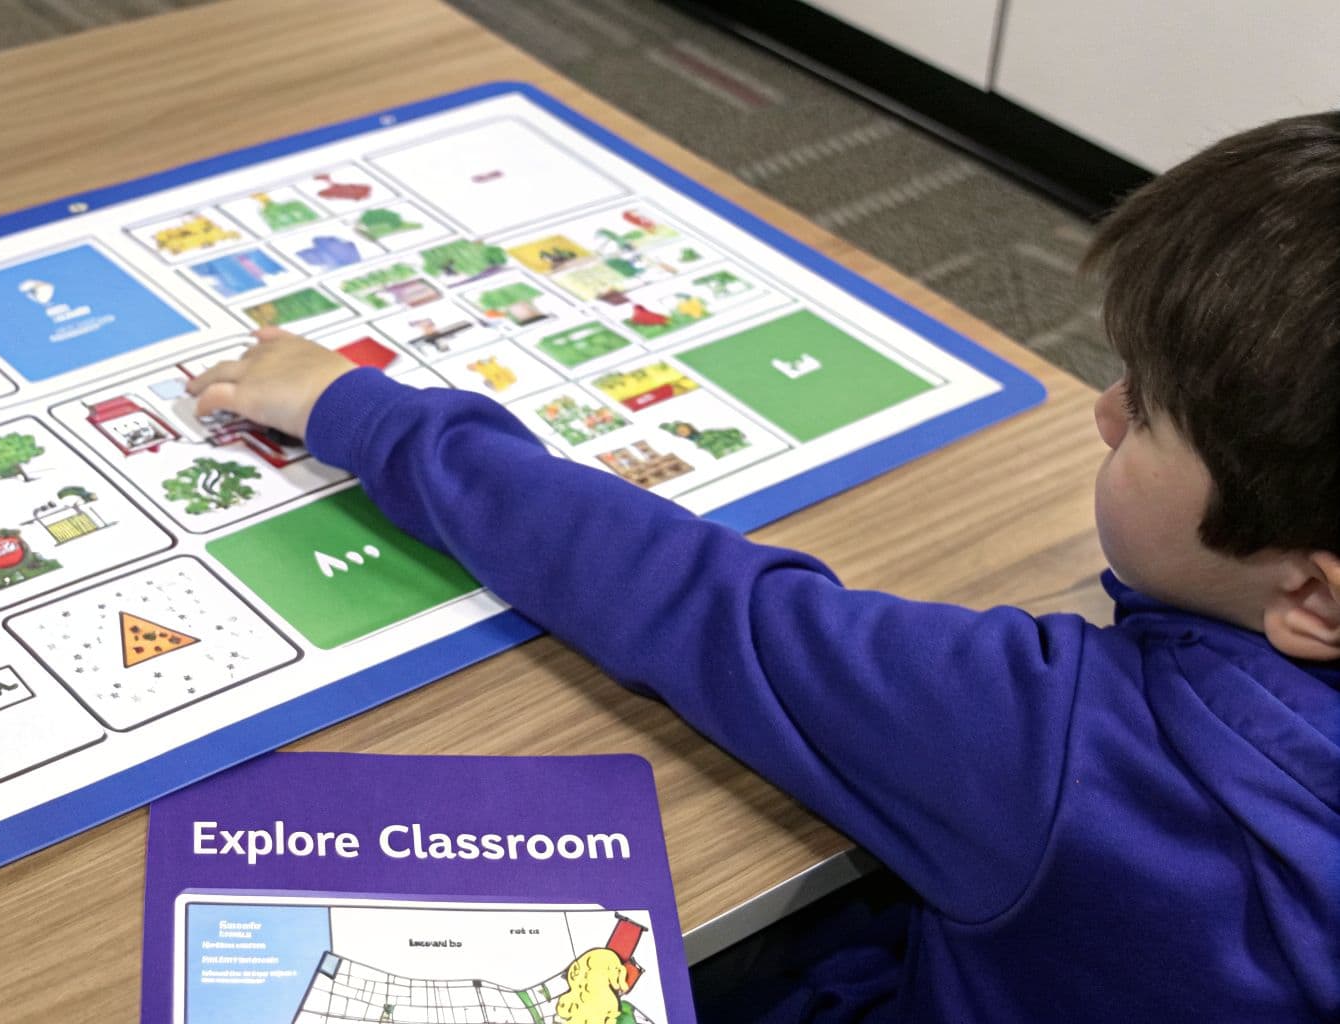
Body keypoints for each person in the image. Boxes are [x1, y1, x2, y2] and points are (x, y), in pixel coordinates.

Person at [184, 113, 1340, 1022]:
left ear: (1309, 593)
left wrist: (363, 414)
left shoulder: (1056, 743)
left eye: (1148, 418)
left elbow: (690, 600)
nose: (1099, 412)